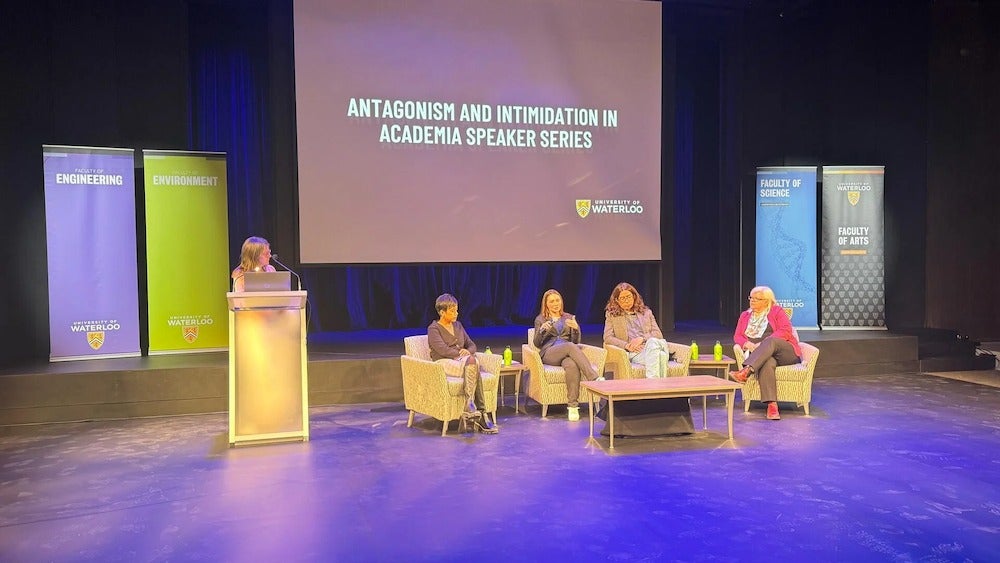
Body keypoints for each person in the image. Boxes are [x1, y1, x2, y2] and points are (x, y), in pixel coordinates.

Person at [426, 293, 498, 434]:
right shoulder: (433, 328)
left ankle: (471, 406)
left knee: (472, 362)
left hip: (463, 362)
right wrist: (461, 353)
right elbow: (442, 349)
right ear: (442, 312)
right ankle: (482, 413)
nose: (456, 313)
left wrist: (467, 351)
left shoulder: (458, 326)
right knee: (473, 363)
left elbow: (471, 345)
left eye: (456, 310)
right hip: (443, 363)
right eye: (452, 311)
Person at [729, 285, 802, 420]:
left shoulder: (776, 311)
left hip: (785, 353)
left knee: (770, 341)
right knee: (767, 362)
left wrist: (763, 343)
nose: (752, 300)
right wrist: (748, 344)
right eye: (751, 297)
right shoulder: (745, 316)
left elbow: (786, 330)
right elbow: (737, 336)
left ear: (767, 301)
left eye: (757, 298)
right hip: (763, 356)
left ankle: (746, 371)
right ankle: (772, 406)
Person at [533, 289, 602, 422]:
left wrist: (576, 329)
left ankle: (573, 407)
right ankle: (593, 377)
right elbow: (537, 344)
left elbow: (576, 341)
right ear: (546, 304)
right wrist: (542, 330)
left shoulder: (568, 317)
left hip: (567, 353)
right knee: (570, 346)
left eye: (557, 300)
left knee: (571, 365)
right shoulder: (541, 319)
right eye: (551, 301)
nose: (555, 304)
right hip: (550, 353)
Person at [603, 282, 673, 378]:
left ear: (634, 297)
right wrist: (626, 345)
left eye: (628, 297)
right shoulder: (612, 315)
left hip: (651, 344)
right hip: (635, 352)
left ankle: (652, 384)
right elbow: (608, 338)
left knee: (652, 342)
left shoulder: (646, 312)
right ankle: (657, 387)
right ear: (617, 300)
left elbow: (658, 334)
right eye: (622, 298)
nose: (626, 301)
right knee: (661, 356)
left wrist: (642, 338)